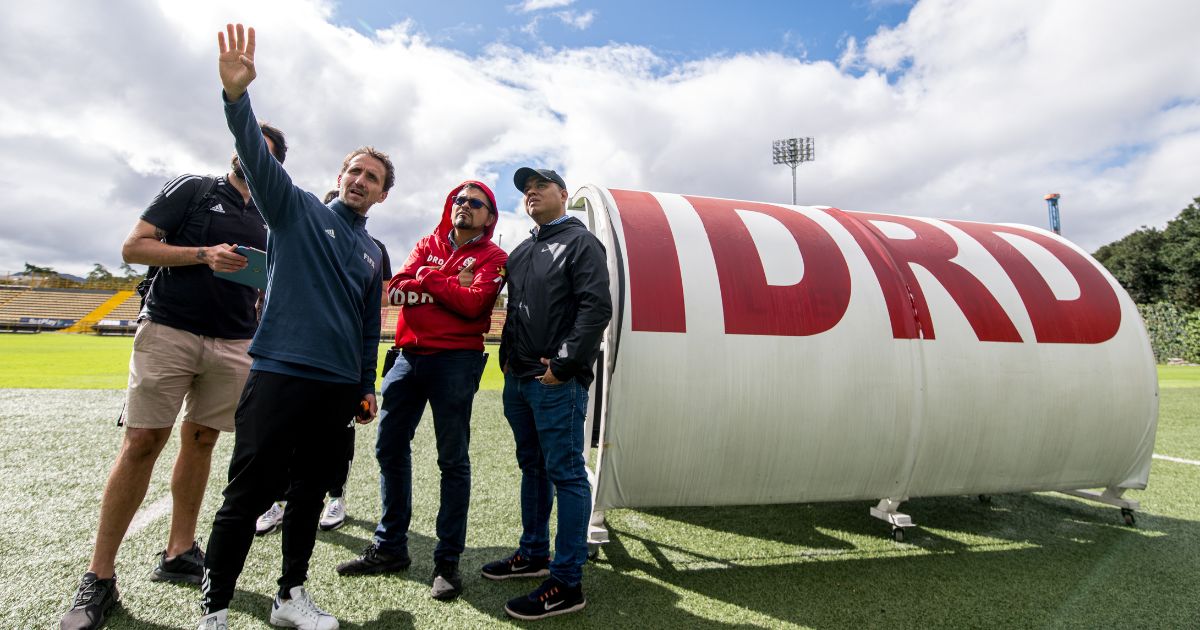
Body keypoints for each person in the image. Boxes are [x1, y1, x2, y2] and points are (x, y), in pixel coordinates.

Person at [197, 24, 390, 630]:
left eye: (374, 179)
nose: (360, 182)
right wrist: (237, 98)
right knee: (249, 494)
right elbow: (255, 154)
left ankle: (290, 597)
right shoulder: (295, 208)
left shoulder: (375, 252)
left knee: (308, 494)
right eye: (354, 171)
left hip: (336, 388)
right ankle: (216, 608)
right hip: (279, 372)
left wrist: (365, 383)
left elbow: (367, 325)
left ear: (383, 196)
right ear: (340, 176)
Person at [60, 121, 286, 630]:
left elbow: (265, 287)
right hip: (169, 329)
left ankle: (179, 549)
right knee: (142, 441)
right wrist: (204, 254)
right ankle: (100, 575)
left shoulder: (271, 219)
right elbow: (133, 247)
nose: (250, 156)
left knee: (202, 440)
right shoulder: (194, 189)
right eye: (246, 146)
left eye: (263, 152)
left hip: (233, 342)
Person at [337, 181, 507, 601]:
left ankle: (446, 560)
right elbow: (397, 291)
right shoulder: (426, 241)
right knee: (389, 448)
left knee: (452, 459)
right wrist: (447, 283)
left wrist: (429, 280)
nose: (463, 206)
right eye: (458, 200)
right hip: (407, 356)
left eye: (475, 203)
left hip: (456, 362)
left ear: (489, 216)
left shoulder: (495, 256)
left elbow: (475, 305)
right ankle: (391, 546)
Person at [483, 167, 611, 621]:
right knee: (533, 468)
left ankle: (567, 582)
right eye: (525, 188)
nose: (531, 192)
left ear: (562, 193)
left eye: (540, 185)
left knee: (566, 474)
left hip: (555, 382)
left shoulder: (580, 242)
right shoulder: (520, 251)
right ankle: (533, 553)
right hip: (518, 379)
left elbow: (597, 306)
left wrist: (564, 364)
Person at [254, 195, 392, 537]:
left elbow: (377, 306)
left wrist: (366, 382)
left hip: (339, 370)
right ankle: (276, 499)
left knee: (333, 447)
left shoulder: (374, 249)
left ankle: (336, 497)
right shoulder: (299, 228)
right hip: (288, 360)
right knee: (278, 445)